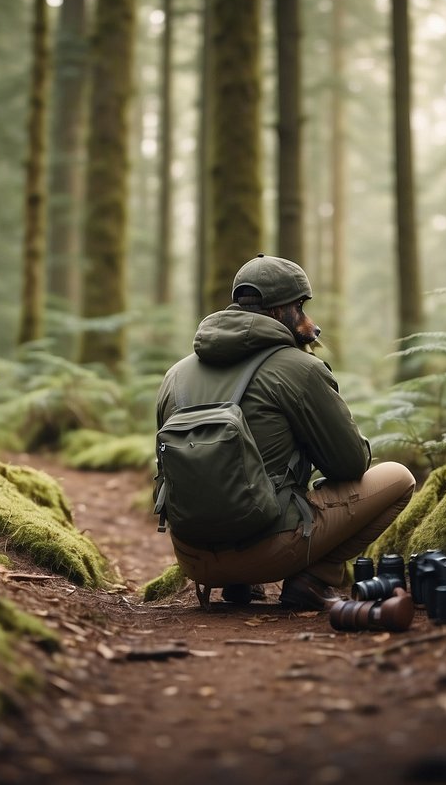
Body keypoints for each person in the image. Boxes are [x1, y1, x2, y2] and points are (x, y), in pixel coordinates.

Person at [155, 254, 417, 610]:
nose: (309, 321)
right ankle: (314, 579)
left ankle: (239, 585)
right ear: (280, 312)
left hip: (193, 558)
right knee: (398, 478)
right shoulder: (300, 368)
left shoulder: (176, 375)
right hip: (269, 552)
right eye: (300, 306)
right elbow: (350, 465)